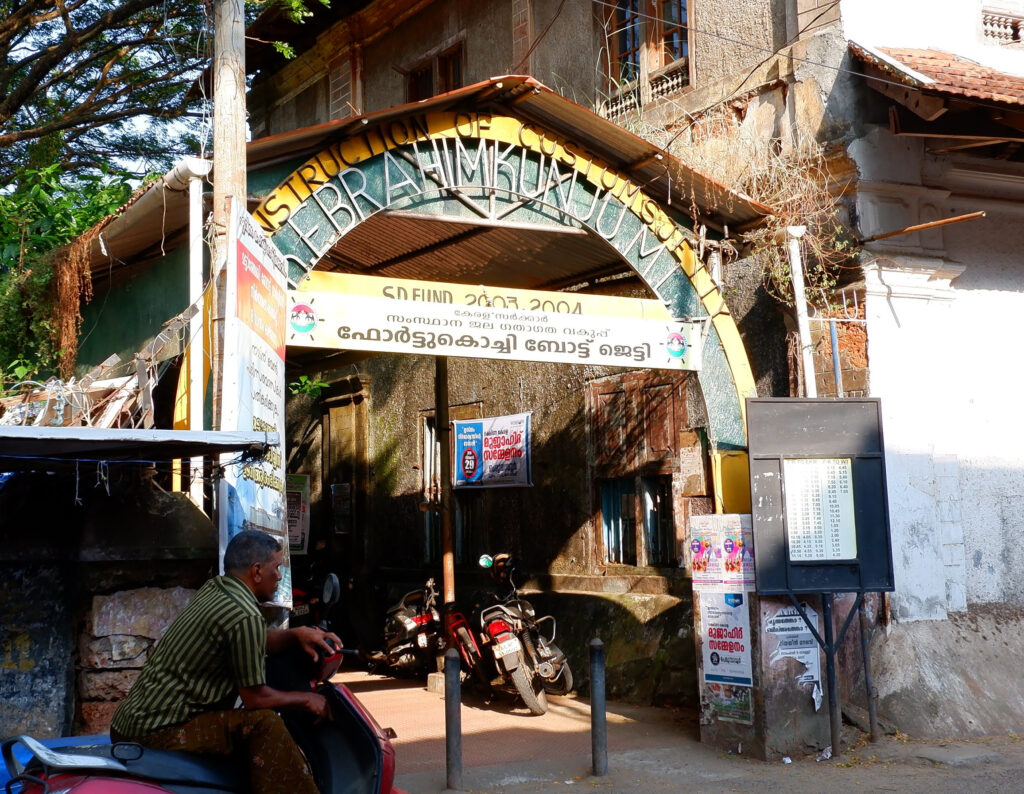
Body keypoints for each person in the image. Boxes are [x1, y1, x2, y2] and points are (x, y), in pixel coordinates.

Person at [110, 529, 341, 794]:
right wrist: (306, 699)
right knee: (264, 724)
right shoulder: (244, 614)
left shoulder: (217, 589)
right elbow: (256, 699)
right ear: (256, 571)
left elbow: (252, 639)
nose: (279, 577)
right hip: (156, 731)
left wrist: (295, 634)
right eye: (276, 568)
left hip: (130, 721)